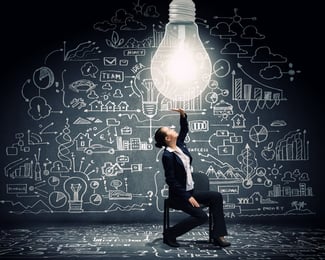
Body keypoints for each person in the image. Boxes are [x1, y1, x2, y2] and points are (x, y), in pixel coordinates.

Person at [154, 108, 231, 248]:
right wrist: (187, 197)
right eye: (169, 130)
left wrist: (183, 115)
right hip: (178, 196)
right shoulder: (167, 155)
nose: (173, 129)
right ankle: (170, 234)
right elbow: (171, 180)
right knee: (202, 216)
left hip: (191, 191)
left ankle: (218, 236)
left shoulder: (180, 145)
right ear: (167, 138)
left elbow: (184, 129)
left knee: (216, 196)